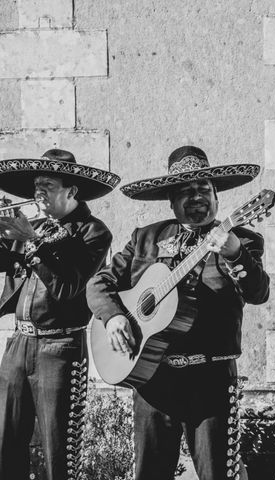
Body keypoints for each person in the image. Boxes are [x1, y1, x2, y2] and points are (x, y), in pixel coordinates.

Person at [87, 146, 269, 480]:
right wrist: (113, 316)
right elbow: (100, 283)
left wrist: (234, 252)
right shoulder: (146, 239)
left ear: (216, 197)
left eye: (204, 190)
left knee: (218, 474)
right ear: (171, 201)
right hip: (152, 378)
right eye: (186, 191)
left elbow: (258, 292)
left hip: (210, 380)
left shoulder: (242, 238)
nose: (197, 197)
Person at [0, 149, 120, 479]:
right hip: (17, 344)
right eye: (36, 184)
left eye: (48, 184)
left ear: (71, 191)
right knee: (4, 445)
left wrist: (33, 242)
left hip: (60, 347)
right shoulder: (33, 225)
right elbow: (6, 265)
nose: (38, 191)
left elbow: (68, 287)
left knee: (58, 451)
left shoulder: (94, 232)